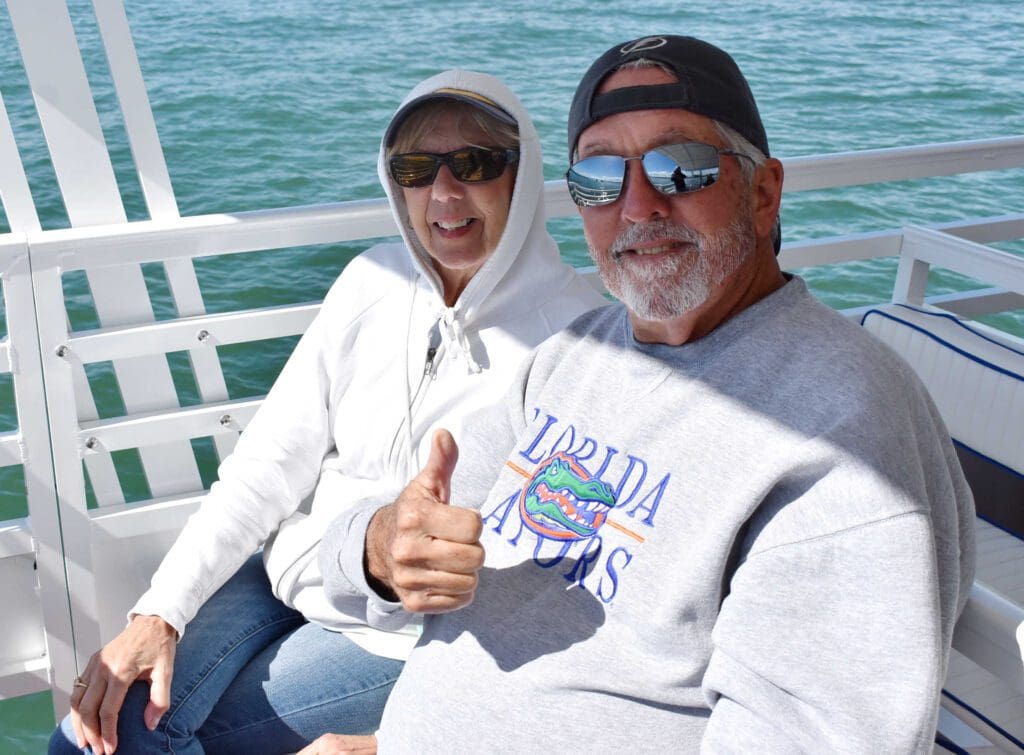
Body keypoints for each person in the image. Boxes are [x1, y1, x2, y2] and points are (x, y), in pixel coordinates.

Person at [319, 36, 976, 752]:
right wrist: (388, 549)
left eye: (680, 167)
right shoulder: (573, 357)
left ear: (762, 194)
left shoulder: (841, 426)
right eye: (599, 176)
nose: (637, 205)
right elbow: (369, 559)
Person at [49, 69, 605, 755]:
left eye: (475, 163)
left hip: (400, 637)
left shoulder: (575, 338)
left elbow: (561, 579)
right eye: (415, 168)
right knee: (83, 735)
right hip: (285, 574)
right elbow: (265, 467)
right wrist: (159, 610)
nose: (444, 193)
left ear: (522, 177)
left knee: (135, 741)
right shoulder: (372, 281)